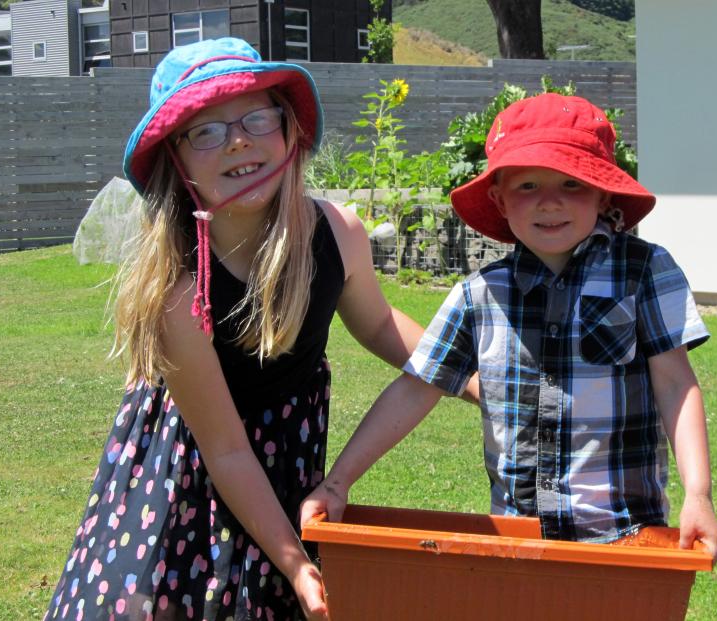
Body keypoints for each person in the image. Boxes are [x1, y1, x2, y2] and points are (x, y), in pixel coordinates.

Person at [44, 37, 444, 621]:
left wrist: (472, 376)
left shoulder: (337, 233)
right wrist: (295, 563)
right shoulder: (179, 289)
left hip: (286, 463)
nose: (237, 139)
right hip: (190, 477)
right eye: (204, 130)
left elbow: (381, 324)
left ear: (288, 132)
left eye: (257, 117)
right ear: (175, 161)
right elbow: (227, 450)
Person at [302, 93, 717, 562]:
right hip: (519, 542)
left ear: (603, 193)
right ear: (499, 199)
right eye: (527, 186)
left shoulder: (644, 272)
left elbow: (676, 384)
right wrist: (337, 482)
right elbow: (416, 387)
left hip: (626, 537)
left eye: (571, 183)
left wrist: (698, 494)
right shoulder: (479, 294)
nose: (549, 203)